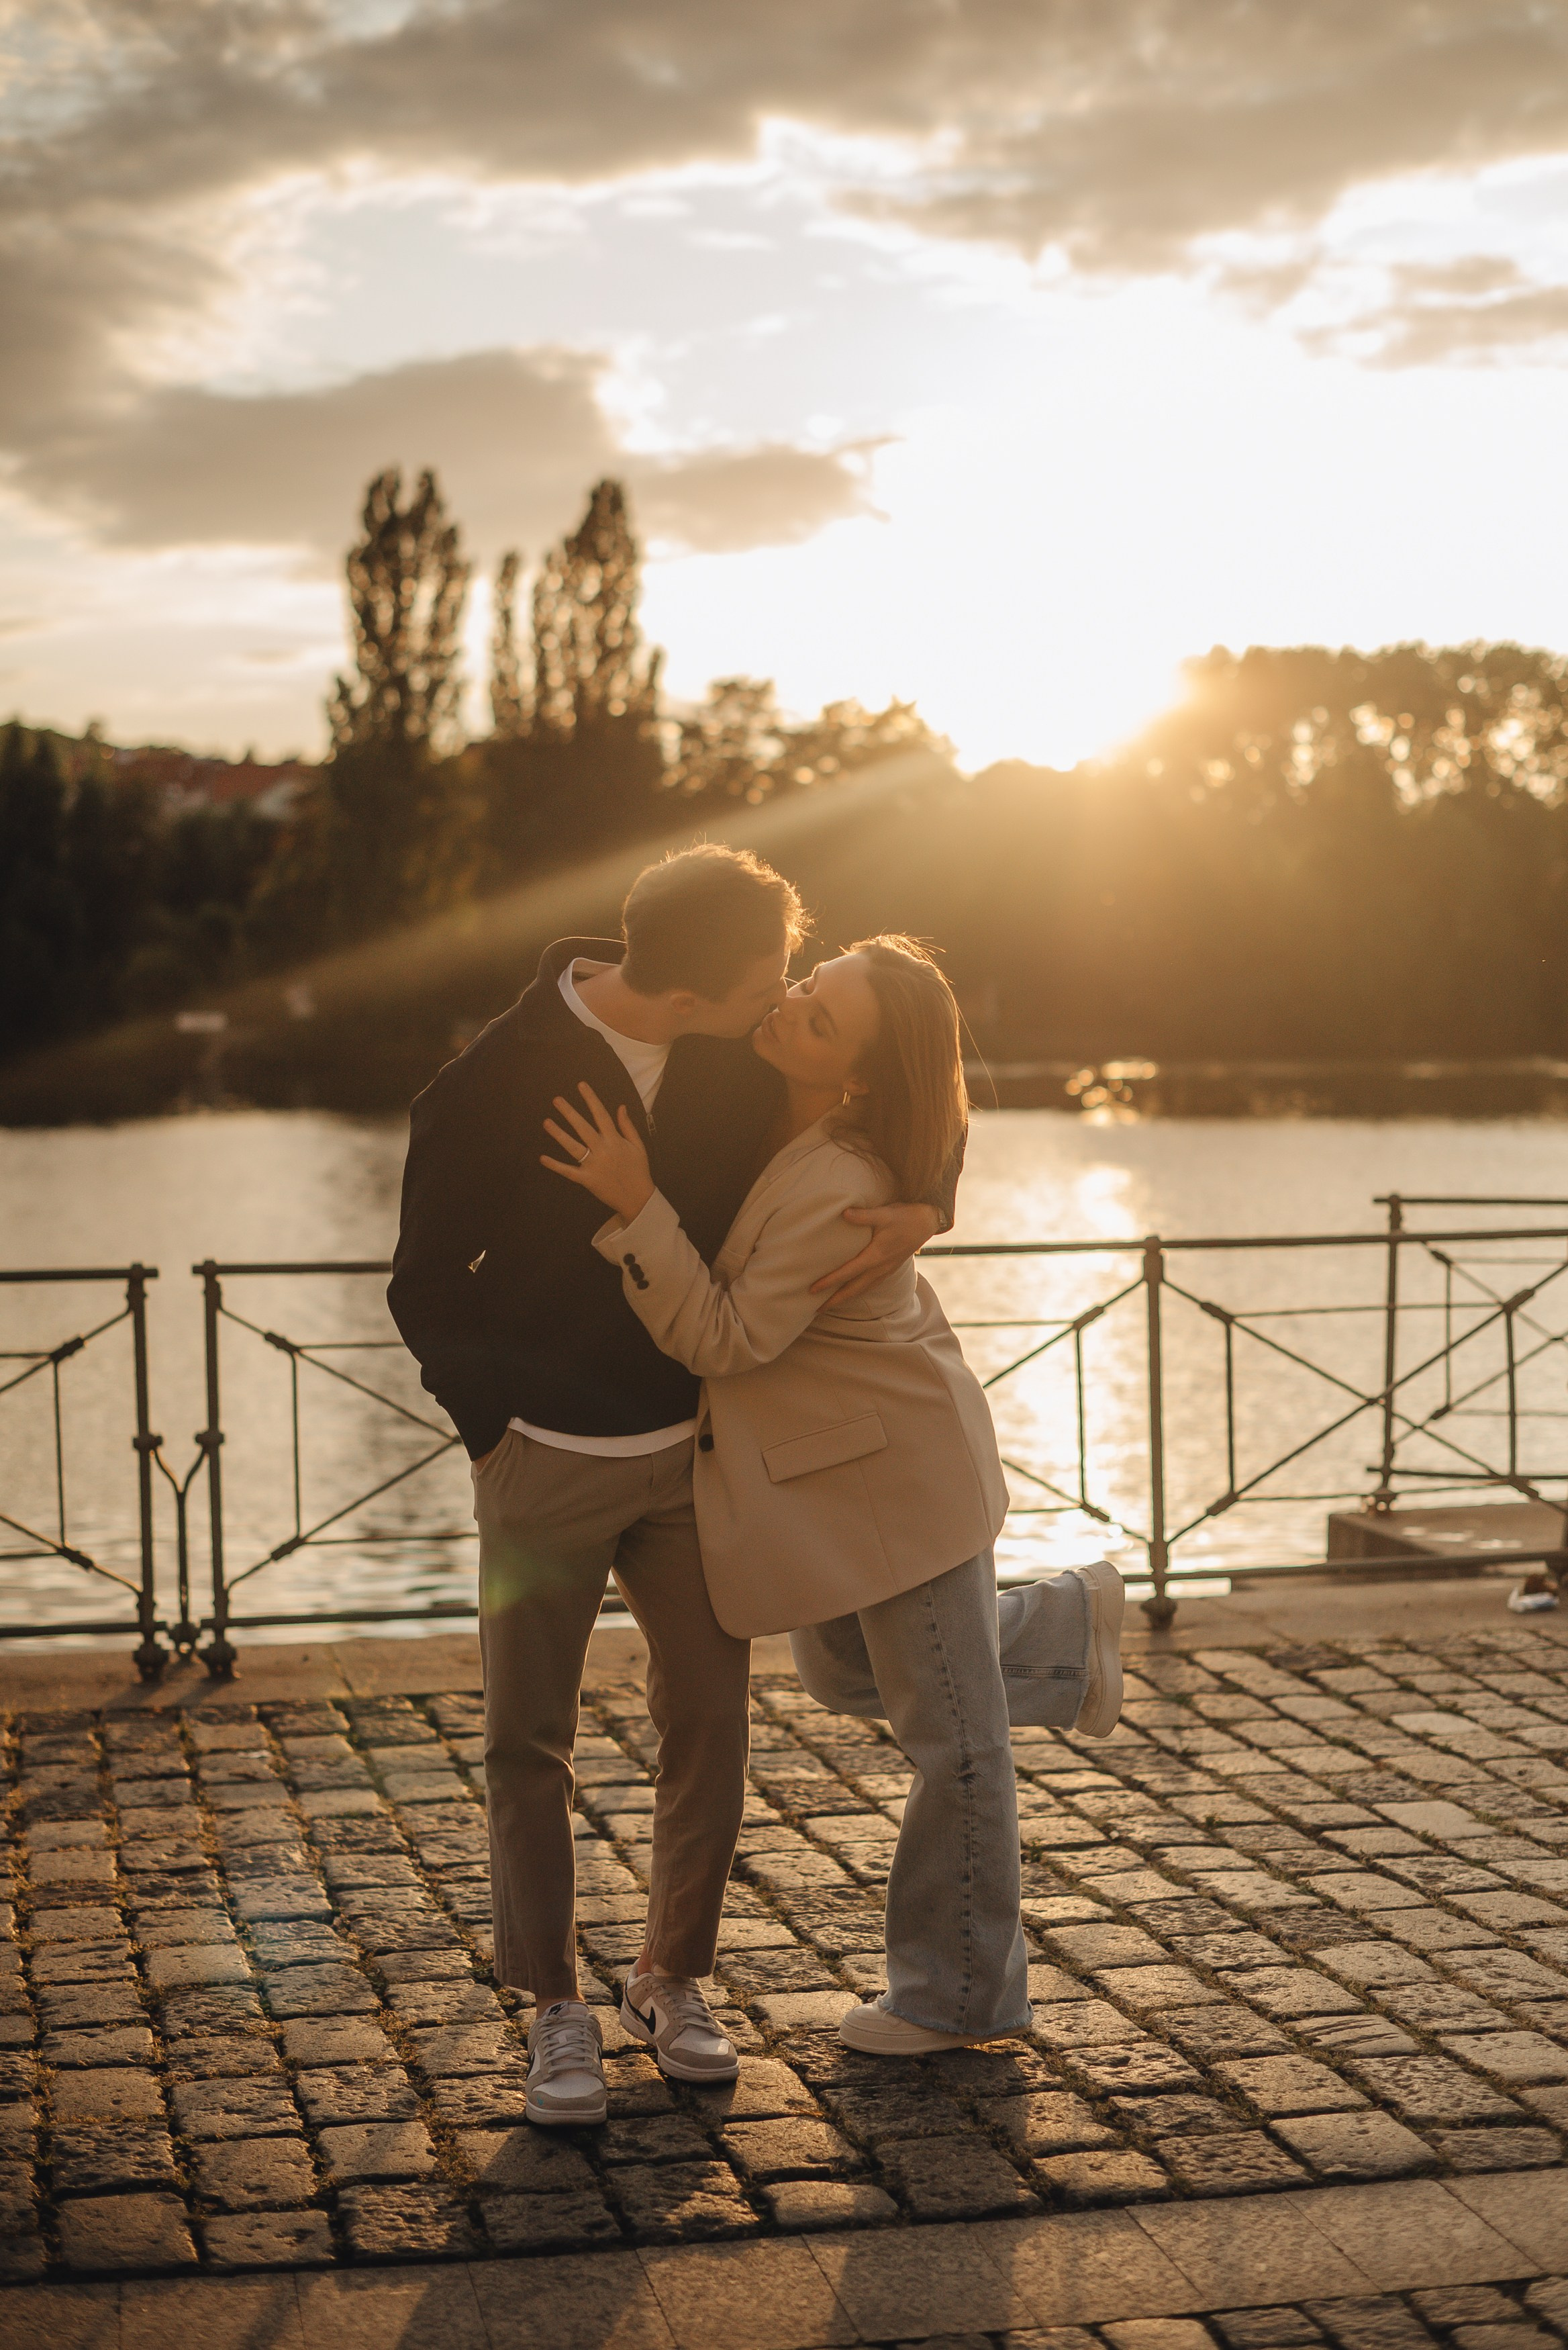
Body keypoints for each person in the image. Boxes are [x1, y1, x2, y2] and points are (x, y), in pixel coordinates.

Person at [387, 847, 953, 2124]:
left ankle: (669, 1977)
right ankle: (552, 2010)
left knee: (711, 1722)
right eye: (771, 980)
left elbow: (896, 1093)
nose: (786, 999)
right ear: (695, 993)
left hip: (695, 1459)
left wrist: (929, 1205)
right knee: (529, 1743)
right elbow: (423, 1286)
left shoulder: (732, 1047)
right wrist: (496, 1430)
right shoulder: (484, 1086)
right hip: (542, 1467)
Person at [541, 935, 1123, 2054]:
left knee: (956, 1743)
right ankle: (1058, 1628)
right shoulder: (760, 1076)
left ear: (854, 1075)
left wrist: (634, 1206)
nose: (793, 1004)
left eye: (818, 1017)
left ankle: (954, 2000)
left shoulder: (849, 1179)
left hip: (898, 1476)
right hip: (839, 1474)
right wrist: (937, 1199)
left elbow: (727, 1335)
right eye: (808, 985)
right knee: (844, 1667)